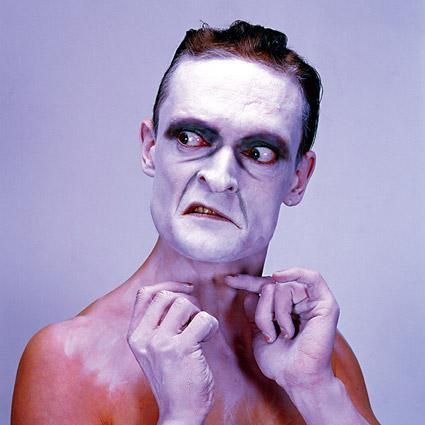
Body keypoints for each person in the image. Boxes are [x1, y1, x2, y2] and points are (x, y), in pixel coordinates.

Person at [12, 21, 380, 424]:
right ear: (150, 148)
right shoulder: (70, 362)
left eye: (259, 152)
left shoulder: (320, 354)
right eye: (190, 137)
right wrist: (181, 415)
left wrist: (317, 393)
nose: (219, 178)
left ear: (298, 178)